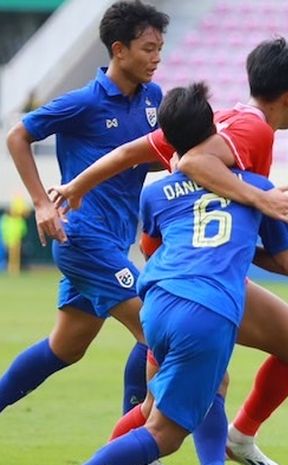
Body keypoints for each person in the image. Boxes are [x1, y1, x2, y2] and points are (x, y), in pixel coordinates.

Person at [52, 37, 288, 465]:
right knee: (164, 421)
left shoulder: (218, 119)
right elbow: (195, 163)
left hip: (172, 278)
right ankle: (234, 438)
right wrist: (260, 201)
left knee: (169, 403)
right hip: (206, 284)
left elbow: (129, 152)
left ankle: (237, 440)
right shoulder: (250, 128)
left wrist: (76, 186)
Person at [2, 0, 169, 417]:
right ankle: (134, 445)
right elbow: (17, 135)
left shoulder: (153, 98)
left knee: (66, 347)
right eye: (148, 48)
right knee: (158, 328)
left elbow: (140, 157)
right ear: (118, 50)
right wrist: (43, 203)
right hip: (82, 238)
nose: (157, 58)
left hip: (113, 240)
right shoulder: (85, 102)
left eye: (160, 47)